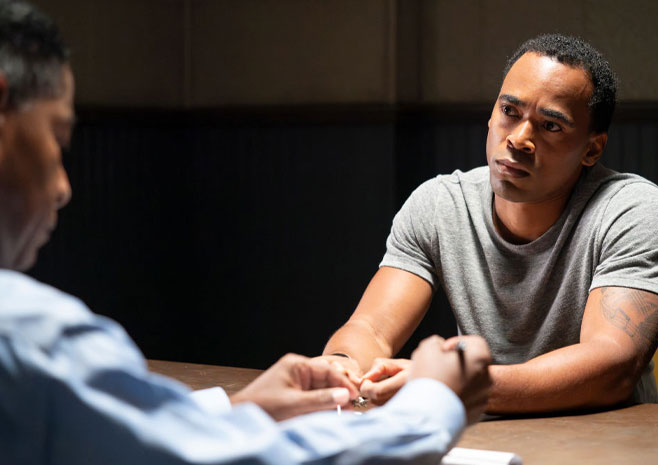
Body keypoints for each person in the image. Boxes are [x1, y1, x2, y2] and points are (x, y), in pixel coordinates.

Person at [0, 1, 493, 463]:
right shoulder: (27, 335)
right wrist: (432, 401)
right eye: (58, 137)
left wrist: (238, 413)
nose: (64, 186)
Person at [322, 33, 658, 414]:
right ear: (491, 115)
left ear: (591, 149)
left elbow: (613, 365)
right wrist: (344, 366)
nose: (520, 139)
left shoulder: (630, 208)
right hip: (483, 435)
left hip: (604, 441)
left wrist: (461, 385)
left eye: (551, 126)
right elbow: (371, 329)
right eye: (510, 111)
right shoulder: (440, 204)